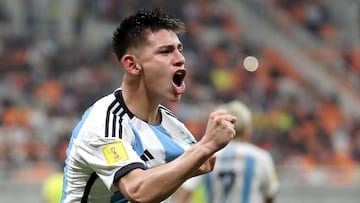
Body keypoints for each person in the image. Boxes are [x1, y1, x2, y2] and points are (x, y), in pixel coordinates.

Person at [61, 8, 237, 203]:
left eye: (180, 49)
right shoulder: (104, 123)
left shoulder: (169, 123)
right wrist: (207, 144)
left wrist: (208, 145)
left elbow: (203, 163)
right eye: (165, 51)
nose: (180, 59)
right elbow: (138, 191)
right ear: (132, 65)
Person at [173, 100, 280, 203]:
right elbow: (270, 193)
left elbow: (186, 190)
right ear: (246, 129)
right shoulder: (261, 157)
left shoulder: (205, 155)